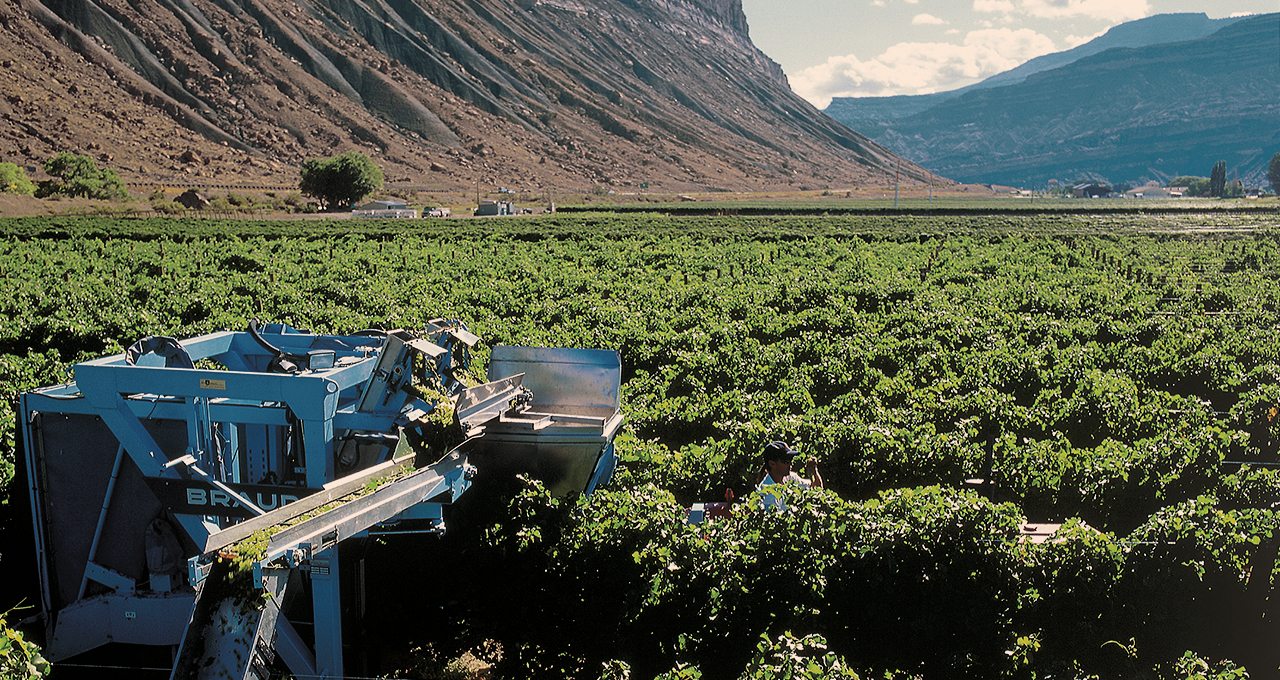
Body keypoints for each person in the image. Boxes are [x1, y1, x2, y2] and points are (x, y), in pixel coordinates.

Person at [755, 440, 823, 490]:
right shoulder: (765, 493)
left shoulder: (791, 478)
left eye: (790, 460)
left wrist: (814, 471)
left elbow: (816, 488)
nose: (790, 464)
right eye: (786, 461)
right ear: (772, 464)